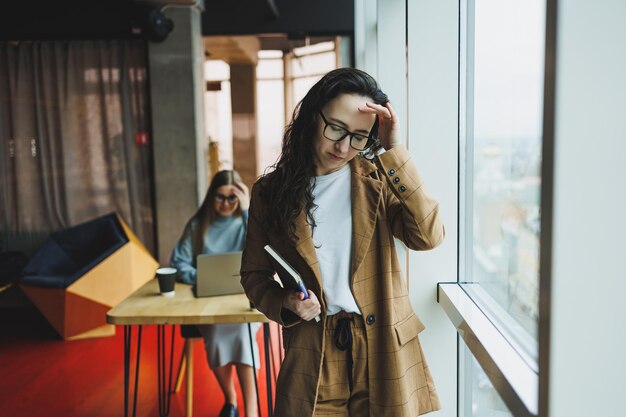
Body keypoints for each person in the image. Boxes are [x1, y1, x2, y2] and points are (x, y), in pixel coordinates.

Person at [240, 67, 445, 417]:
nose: (343, 146)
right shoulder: (270, 193)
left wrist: (394, 150)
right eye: (335, 128)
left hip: (382, 346)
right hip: (313, 347)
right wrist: (286, 301)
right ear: (311, 117)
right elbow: (254, 276)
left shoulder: (378, 180)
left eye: (359, 137)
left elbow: (427, 235)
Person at [171, 169, 260, 417]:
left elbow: (262, 250)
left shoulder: (248, 224)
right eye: (220, 197)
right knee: (219, 333)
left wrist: (245, 210)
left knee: (243, 333)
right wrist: (202, 278)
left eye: (232, 198)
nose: (225, 203)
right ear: (211, 197)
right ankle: (230, 400)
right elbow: (178, 263)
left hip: (241, 299)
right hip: (207, 301)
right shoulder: (198, 225)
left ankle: (251, 413)